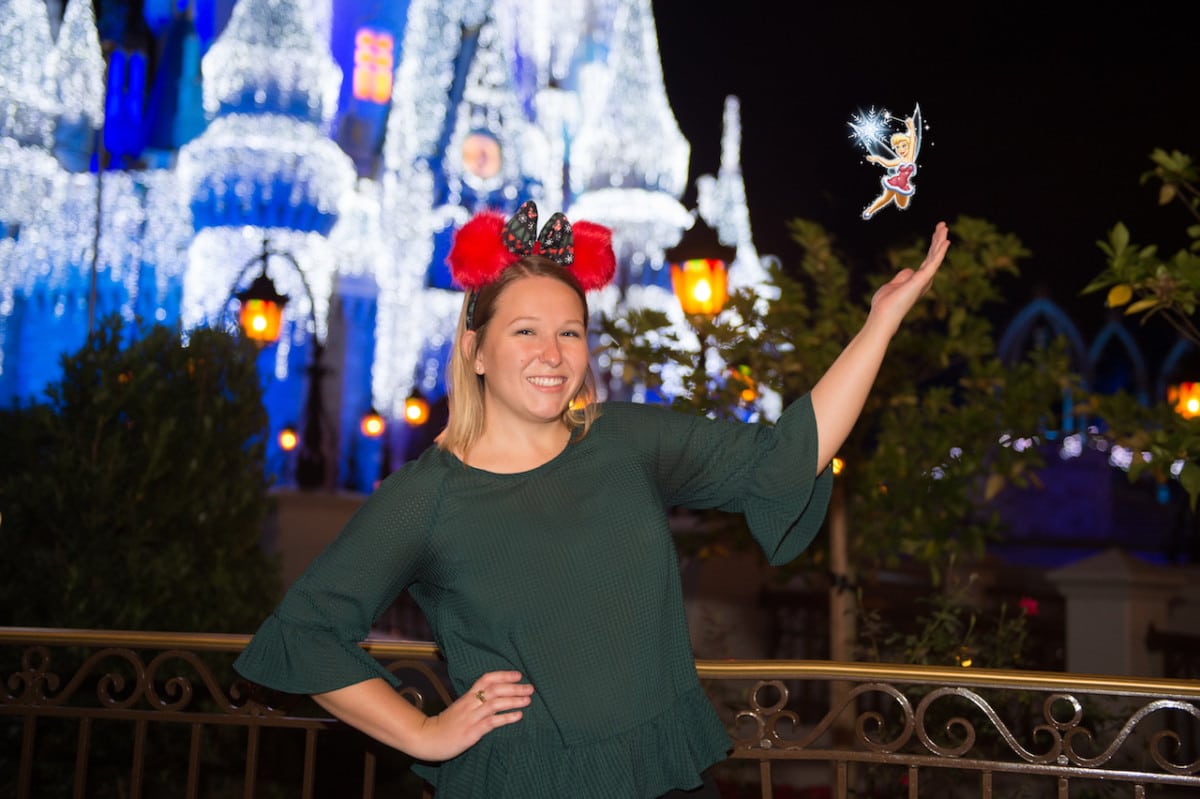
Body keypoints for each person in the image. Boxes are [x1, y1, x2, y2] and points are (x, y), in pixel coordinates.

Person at [234, 200, 951, 798]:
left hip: (665, 773)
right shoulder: (426, 495)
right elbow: (305, 634)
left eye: (570, 331)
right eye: (526, 331)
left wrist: (879, 323)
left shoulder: (625, 441)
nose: (554, 353)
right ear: (476, 349)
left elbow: (784, 455)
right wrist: (423, 730)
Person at [862, 114, 919, 220]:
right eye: (897, 147)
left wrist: (911, 127)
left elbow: (913, 140)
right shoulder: (899, 160)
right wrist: (877, 159)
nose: (900, 149)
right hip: (895, 182)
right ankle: (869, 211)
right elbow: (887, 163)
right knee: (885, 199)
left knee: (902, 205)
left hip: (903, 186)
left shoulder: (909, 158)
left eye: (903, 146)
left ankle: (895, 195)